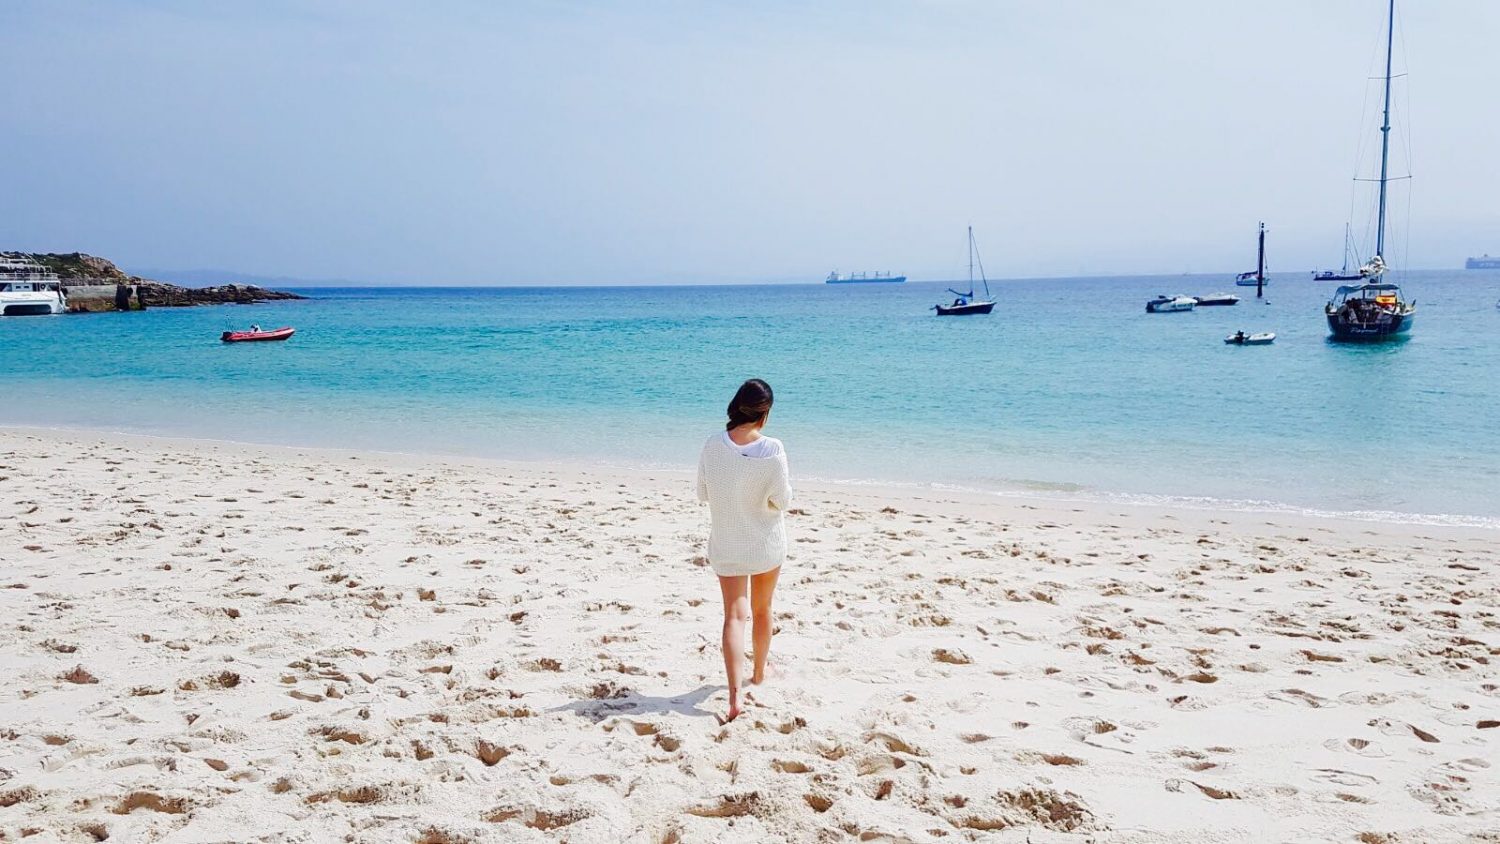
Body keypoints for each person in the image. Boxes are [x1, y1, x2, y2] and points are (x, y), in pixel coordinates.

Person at [696, 378, 792, 722]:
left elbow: (703, 493)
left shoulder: (712, 445)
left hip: (728, 542)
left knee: (734, 616)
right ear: (764, 414)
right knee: (763, 609)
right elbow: (783, 500)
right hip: (765, 543)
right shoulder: (772, 449)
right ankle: (760, 675)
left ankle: (735, 695)